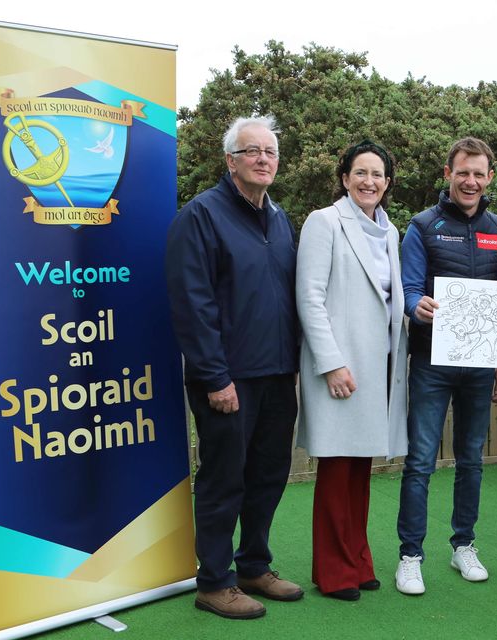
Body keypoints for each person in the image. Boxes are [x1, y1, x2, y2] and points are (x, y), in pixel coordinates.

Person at [165, 115, 302, 619]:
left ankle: (253, 566)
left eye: (270, 151)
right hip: (227, 378)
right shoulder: (200, 216)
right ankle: (214, 581)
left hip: (276, 374)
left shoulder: (280, 218)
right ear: (231, 160)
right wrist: (214, 376)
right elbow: (191, 304)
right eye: (252, 151)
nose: (263, 159)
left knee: (269, 473)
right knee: (225, 478)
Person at [396, 137, 497, 595]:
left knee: (471, 461)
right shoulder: (423, 225)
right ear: (448, 174)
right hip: (430, 360)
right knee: (421, 461)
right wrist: (415, 305)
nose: (471, 181)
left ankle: (463, 544)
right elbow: (407, 288)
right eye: (463, 172)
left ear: (489, 178)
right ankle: (410, 555)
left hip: (481, 366)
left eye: (479, 173)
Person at [296, 140, 408, 601]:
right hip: (340, 369)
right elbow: (309, 297)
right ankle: (334, 571)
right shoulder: (324, 222)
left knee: (359, 469)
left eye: (377, 175)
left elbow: (388, 300)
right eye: (360, 173)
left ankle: (358, 561)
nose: (369, 182)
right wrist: (331, 363)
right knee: (337, 470)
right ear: (344, 178)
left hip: (378, 364)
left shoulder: (392, 232)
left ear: (386, 183)